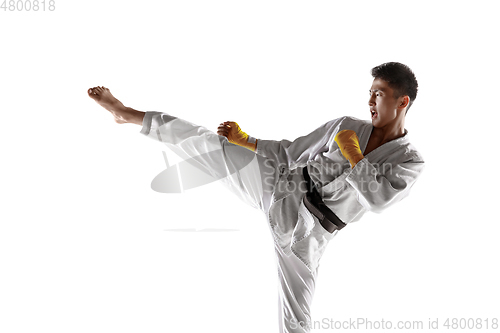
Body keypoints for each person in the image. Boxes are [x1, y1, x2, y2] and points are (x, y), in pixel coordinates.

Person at [87, 62, 425, 332]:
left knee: (297, 318)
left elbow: (379, 200)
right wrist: (246, 139)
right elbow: (292, 152)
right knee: (207, 142)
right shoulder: (347, 125)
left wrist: (354, 157)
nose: (369, 101)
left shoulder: (410, 161)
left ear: (401, 101)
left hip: (309, 234)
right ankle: (128, 114)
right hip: (279, 185)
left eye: (378, 94)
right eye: (369, 92)